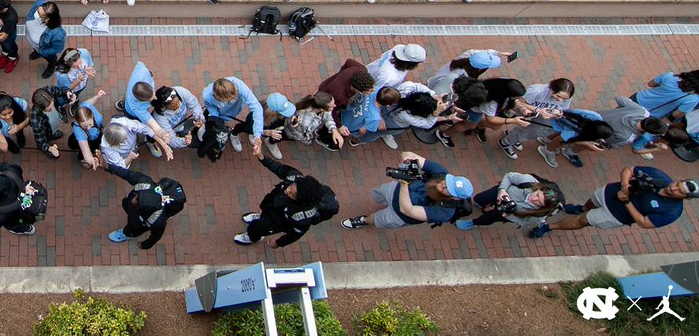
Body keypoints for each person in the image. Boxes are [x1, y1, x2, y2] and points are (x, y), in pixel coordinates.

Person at [236, 141, 340, 246]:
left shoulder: (302, 217)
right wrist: (261, 157)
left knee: (259, 228)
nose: (287, 190)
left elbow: (294, 235)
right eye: (291, 187)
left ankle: (252, 237)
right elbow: (279, 168)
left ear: (301, 200)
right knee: (264, 212)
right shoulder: (295, 177)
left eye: (292, 194)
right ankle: (261, 217)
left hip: (276, 222)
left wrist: (278, 243)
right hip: (271, 205)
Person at [341, 151, 474, 230]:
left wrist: (405, 183)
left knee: (377, 219)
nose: (443, 185)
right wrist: (408, 162)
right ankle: (380, 204)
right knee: (378, 194)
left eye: (448, 189)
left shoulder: (445, 213)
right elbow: (408, 154)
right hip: (394, 190)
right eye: (447, 182)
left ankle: (364, 220)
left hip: (399, 215)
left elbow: (407, 210)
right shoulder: (441, 173)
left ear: (455, 198)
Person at [549, 166, 698, 233]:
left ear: (686, 198)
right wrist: (624, 185)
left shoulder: (673, 212)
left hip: (615, 215)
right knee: (591, 202)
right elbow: (629, 170)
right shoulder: (659, 175)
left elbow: (644, 223)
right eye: (678, 184)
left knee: (582, 221)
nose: (674, 188)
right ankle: (582, 208)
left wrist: (626, 201)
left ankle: (549, 227)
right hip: (609, 192)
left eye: (680, 192)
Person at [103, 163, 185, 249]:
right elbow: (126, 174)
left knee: (133, 228)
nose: (133, 200)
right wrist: (107, 166)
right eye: (138, 196)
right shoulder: (144, 182)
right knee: (126, 204)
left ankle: (127, 234)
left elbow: (156, 236)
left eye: (137, 202)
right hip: (137, 213)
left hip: (138, 223)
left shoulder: (158, 221)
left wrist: (145, 245)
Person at [458, 172, 564, 235]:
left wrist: (507, 215)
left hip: (508, 213)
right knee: (479, 198)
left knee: (489, 218)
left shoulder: (538, 216)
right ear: (539, 189)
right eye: (537, 195)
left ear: (543, 207)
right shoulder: (528, 181)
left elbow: (523, 223)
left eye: (539, 202)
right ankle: (479, 203)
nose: (534, 199)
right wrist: (502, 190)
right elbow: (509, 176)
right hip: (500, 193)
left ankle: (474, 223)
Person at [203, 77, 265, 154]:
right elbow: (211, 108)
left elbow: (257, 108)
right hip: (222, 115)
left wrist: (257, 135)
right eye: (228, 100)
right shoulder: (207, 96)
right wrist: (218, 121)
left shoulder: (238, 84)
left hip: (235, 110)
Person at [101, 116, 172, 168]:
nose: (127, 138)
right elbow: (121, 165)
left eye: (126, 135)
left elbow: (147, 129)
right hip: (125, 156)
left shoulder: (126, 123)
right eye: (124, 139)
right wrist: (129, 158)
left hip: (133, 147)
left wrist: (164, 145)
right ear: (115, 143)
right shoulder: (107, 148)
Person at [26, 0, 65, 79]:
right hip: (34, 44)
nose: (36, 13)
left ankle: (51, 66)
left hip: (43, 49)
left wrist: (41, 51)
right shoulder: (40, 3)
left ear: (47, 19)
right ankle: (37, 52)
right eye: (37, 10)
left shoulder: (57, 34)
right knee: (36, 49)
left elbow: (57, 48)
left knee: (51, 58)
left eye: (39, 14)